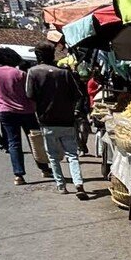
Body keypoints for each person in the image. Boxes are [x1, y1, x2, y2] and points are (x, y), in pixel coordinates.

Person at [25, 43, 87, 199]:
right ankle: (78, 183)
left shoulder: (33, 72)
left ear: (38, 56)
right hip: (66, 120)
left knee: (52, 156)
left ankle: (61, 185)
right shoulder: (64, 73)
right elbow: (78, 95)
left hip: (47, 120)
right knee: (72, 154)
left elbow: (30, 96)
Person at [0, 46, 37, 186]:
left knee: (14, 143)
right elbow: (29, 94)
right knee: (35, 140)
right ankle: (44, 168)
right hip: (26, 111)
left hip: (6, 112)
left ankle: (19, 175)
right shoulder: (20, 73)